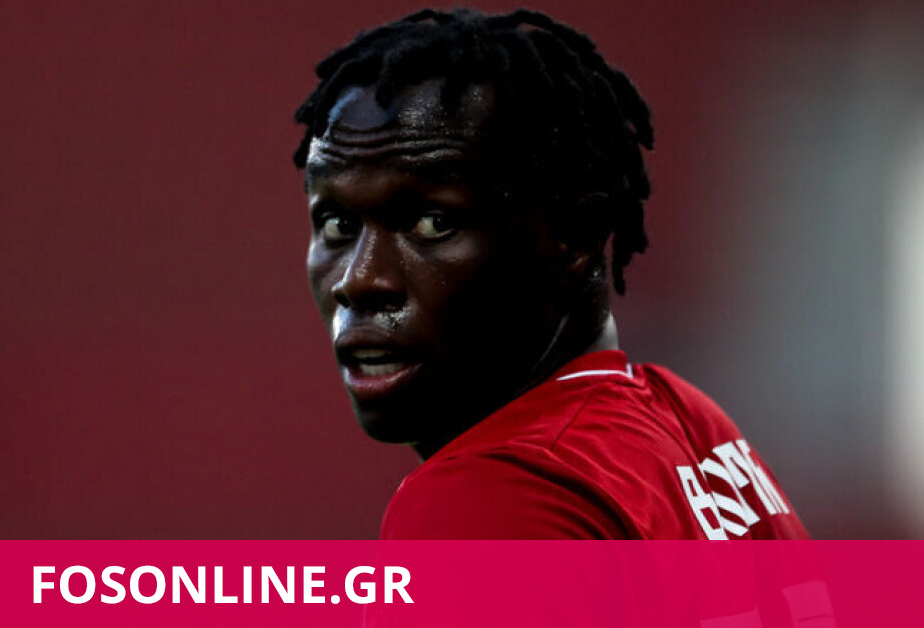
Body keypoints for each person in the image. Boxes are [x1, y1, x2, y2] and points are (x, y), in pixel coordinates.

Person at [294, 8, 809, 540]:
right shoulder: (696, 436)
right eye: (337, 224)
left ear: (575, 237)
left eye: (433, 222)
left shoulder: (488, 498)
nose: (359, 280)